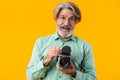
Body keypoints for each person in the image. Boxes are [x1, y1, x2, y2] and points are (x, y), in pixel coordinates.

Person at [26, 1, 97, 80]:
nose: (66, 23)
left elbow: (92, 78)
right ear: (56, 19)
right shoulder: (41, 42)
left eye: (71, 19)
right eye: (62, 17)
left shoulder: (84, 46)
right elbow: (30, 76)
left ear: (76, 21)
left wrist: (74, 73)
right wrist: (46, 60)